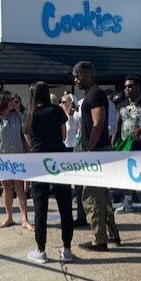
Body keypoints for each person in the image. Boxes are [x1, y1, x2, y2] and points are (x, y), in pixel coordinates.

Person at [72, 61, 120, 251]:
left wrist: (89, 149)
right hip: (97, 151)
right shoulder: (93, 95)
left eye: (78, 76)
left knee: (91, 197)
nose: (75, 80)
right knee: (102, 197)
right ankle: (112, 235)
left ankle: (99, 240)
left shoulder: (95, 94)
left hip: (96, 152)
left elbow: (98, 123)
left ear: (88, 75)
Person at [25, 82, 74, 263]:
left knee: (40, 206)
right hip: (59, 159)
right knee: (65, 205)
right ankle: (67, 249)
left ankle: (41, 249)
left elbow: (28, 137)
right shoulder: (57, 111)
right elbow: (63, 135)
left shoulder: (29, 113)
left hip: (38, 160)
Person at [0, 90, 33, 230]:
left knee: (19, 187)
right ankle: (9, 217)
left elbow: (24, 135)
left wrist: (28, 153)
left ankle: (24, 219)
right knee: (6, 187)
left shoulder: (18, 115)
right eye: (11, 100)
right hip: (2, 159)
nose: (14, 102)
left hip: (18, 157)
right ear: (4, 102)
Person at [113, 74, 141, 215]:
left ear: (138, 87)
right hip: (125, 145)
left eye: (130, 86)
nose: (127, 89)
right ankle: (127, 203)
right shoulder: (121, 104)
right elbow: (118, 126)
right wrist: (113, 146)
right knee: (127, 175)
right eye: (125, 87)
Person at [60, 93, 86, 226]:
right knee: (65, 187)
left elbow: (80, 132)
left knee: (78, 186)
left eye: (64, 101)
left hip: (75, 150)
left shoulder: (77, 115)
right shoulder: (61, 116)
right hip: (64, 150)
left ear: (71, 102)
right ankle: (67, 216)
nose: (62, 103)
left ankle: (81, 216)